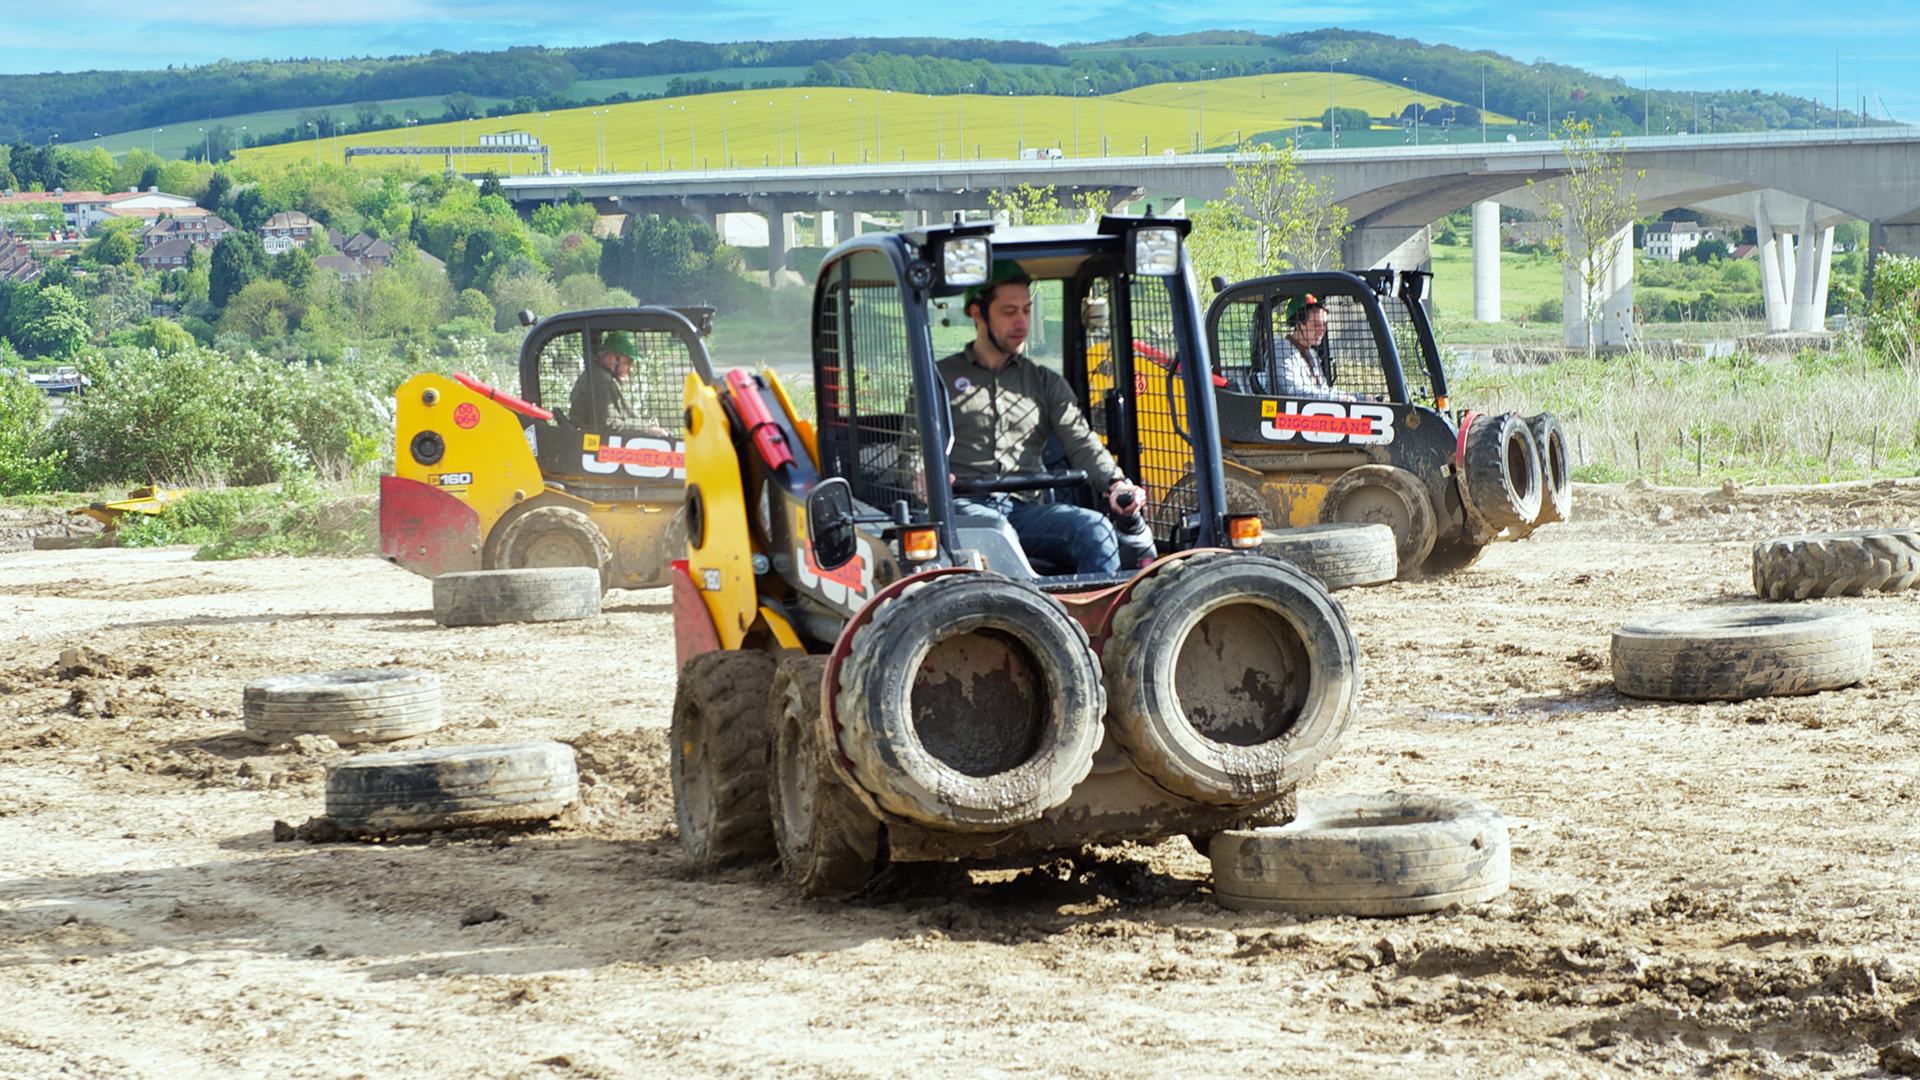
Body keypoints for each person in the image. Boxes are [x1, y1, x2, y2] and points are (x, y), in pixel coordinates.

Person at [935, 260, 1153, 574]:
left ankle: (1095, 618)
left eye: (1026, 310)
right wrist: (925, 478)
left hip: (1024, 510)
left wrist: (1115, 482)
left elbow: (1081, 441)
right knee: (993, 533)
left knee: (1096, 530)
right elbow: (915, 451)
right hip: (963, 512)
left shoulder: (1044, 382)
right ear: (978, 313)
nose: (1022, 322)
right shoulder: (939, 379)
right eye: (1009, 312)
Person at [571, 329, 669, 436]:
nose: (631, 369)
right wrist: (650, 430)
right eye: (627, 363)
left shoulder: (602, 377)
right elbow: (610, 426)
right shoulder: (601, 380)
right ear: (610, 359)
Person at [1270, 296, 1355, 402]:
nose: (1322, 330)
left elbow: (1323, 390)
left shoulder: (1311, 353)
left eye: (1324, 325)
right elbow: (1292, 391)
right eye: (1316, 325)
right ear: (1299, 324)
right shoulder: (1281, 350)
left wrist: (1359, 398)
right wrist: (1337, 398)